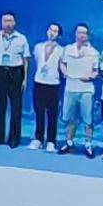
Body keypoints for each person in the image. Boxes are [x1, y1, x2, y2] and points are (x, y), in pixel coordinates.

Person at [0, 8, 29, 150]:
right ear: (1, 22)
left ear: (15, 22)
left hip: (16, 73)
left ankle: (14, 138)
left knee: (16, 107)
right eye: (5, 21)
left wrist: (24, 79)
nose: (8, 23)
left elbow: (26, 60)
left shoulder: (21, 38)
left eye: (10, 21)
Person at [56, 22, 102, 155]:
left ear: (87, 35)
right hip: (71, 88)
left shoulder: (94, 53)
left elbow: (96, 71)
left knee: (88, 119)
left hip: (86, 90)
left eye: (84, 33)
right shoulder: (68, 49)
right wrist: (64, 71)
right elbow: (62, 64)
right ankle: (69, 142)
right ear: (75, 34)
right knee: (70, 118)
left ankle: (88, 144)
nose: (81, 35)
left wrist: (90, 77)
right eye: (79, 32)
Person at [29, 20, 66, 149]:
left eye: (55, 31)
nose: (52, 33)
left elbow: (62, 67)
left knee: (52, 113)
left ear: (59, 35)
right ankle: (38, 139)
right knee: (38, 111)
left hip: (53, 84)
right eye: (50, 30)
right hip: (39, 82)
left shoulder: (62, 50)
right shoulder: (38, 47)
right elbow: (37, 61)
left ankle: (51, 140)